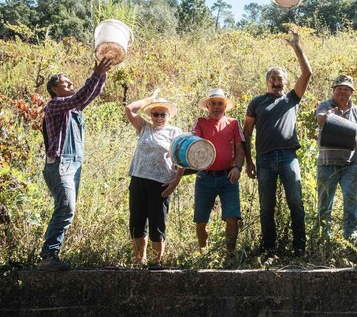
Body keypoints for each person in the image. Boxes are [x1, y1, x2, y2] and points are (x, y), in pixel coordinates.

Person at [38, 56, 113, 270]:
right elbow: (80, 95)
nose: (70, 84)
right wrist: (96, 73)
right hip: (60, 164)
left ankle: (51, 254)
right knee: (66, 207)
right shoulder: (54, 106)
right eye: (65, 82)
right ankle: (48, 255)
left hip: (74, 165)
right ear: (54, 88)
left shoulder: (74, 109)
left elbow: (91, 94)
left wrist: (102, 73)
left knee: (67, 208)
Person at [244, 31, 312, 256]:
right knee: (266, 207)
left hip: (288, 157)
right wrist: (248, 162)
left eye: (279, 78)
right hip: (264, 159)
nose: (276, 81)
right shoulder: (257, 102)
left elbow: (307, 73)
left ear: (285, 82)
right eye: (272, 78)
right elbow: (246, 132)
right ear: (266, 81)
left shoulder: (292, 98)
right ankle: (268, 247)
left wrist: (297, 47)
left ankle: (300, 246)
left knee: (295, 202)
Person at [123, 92, 184, 265]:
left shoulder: (175, 132)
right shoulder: (144, 127)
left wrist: (175, 182)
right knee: (137, 220)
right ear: (150, 115)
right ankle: (139, 261)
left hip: (161, 183)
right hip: (138, 179)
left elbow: (183, 158)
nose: (158, 117)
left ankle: (157, 262)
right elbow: (129, 109)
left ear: (168, 116)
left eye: (162, 114)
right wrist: (150, 100)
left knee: (157, 222)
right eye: (155, 114)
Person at [192, 88, 246, 254]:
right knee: (201, 220)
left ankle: (230, 255)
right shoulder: (200, 122)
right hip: (205, 177)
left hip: (227, 177)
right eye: (213, 103)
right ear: (208, 106)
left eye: (220, 103)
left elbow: (239, 147)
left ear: (225, 106)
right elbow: (193, 141)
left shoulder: (233, 123)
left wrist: (237, 167)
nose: (216, 107)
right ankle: (204, 254)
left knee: (232, 217)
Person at [315, 74, 357, 240]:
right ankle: (324, 237)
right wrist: (329, 115)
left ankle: (351, 235)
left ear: (352, 93)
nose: (342, 92)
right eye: (339, 89)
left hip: (350, 165)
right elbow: (321, 119)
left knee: (351, 200)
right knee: (324, 203)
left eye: (346, 89)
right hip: (327, 163)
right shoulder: (325, 105)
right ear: (333, 91)